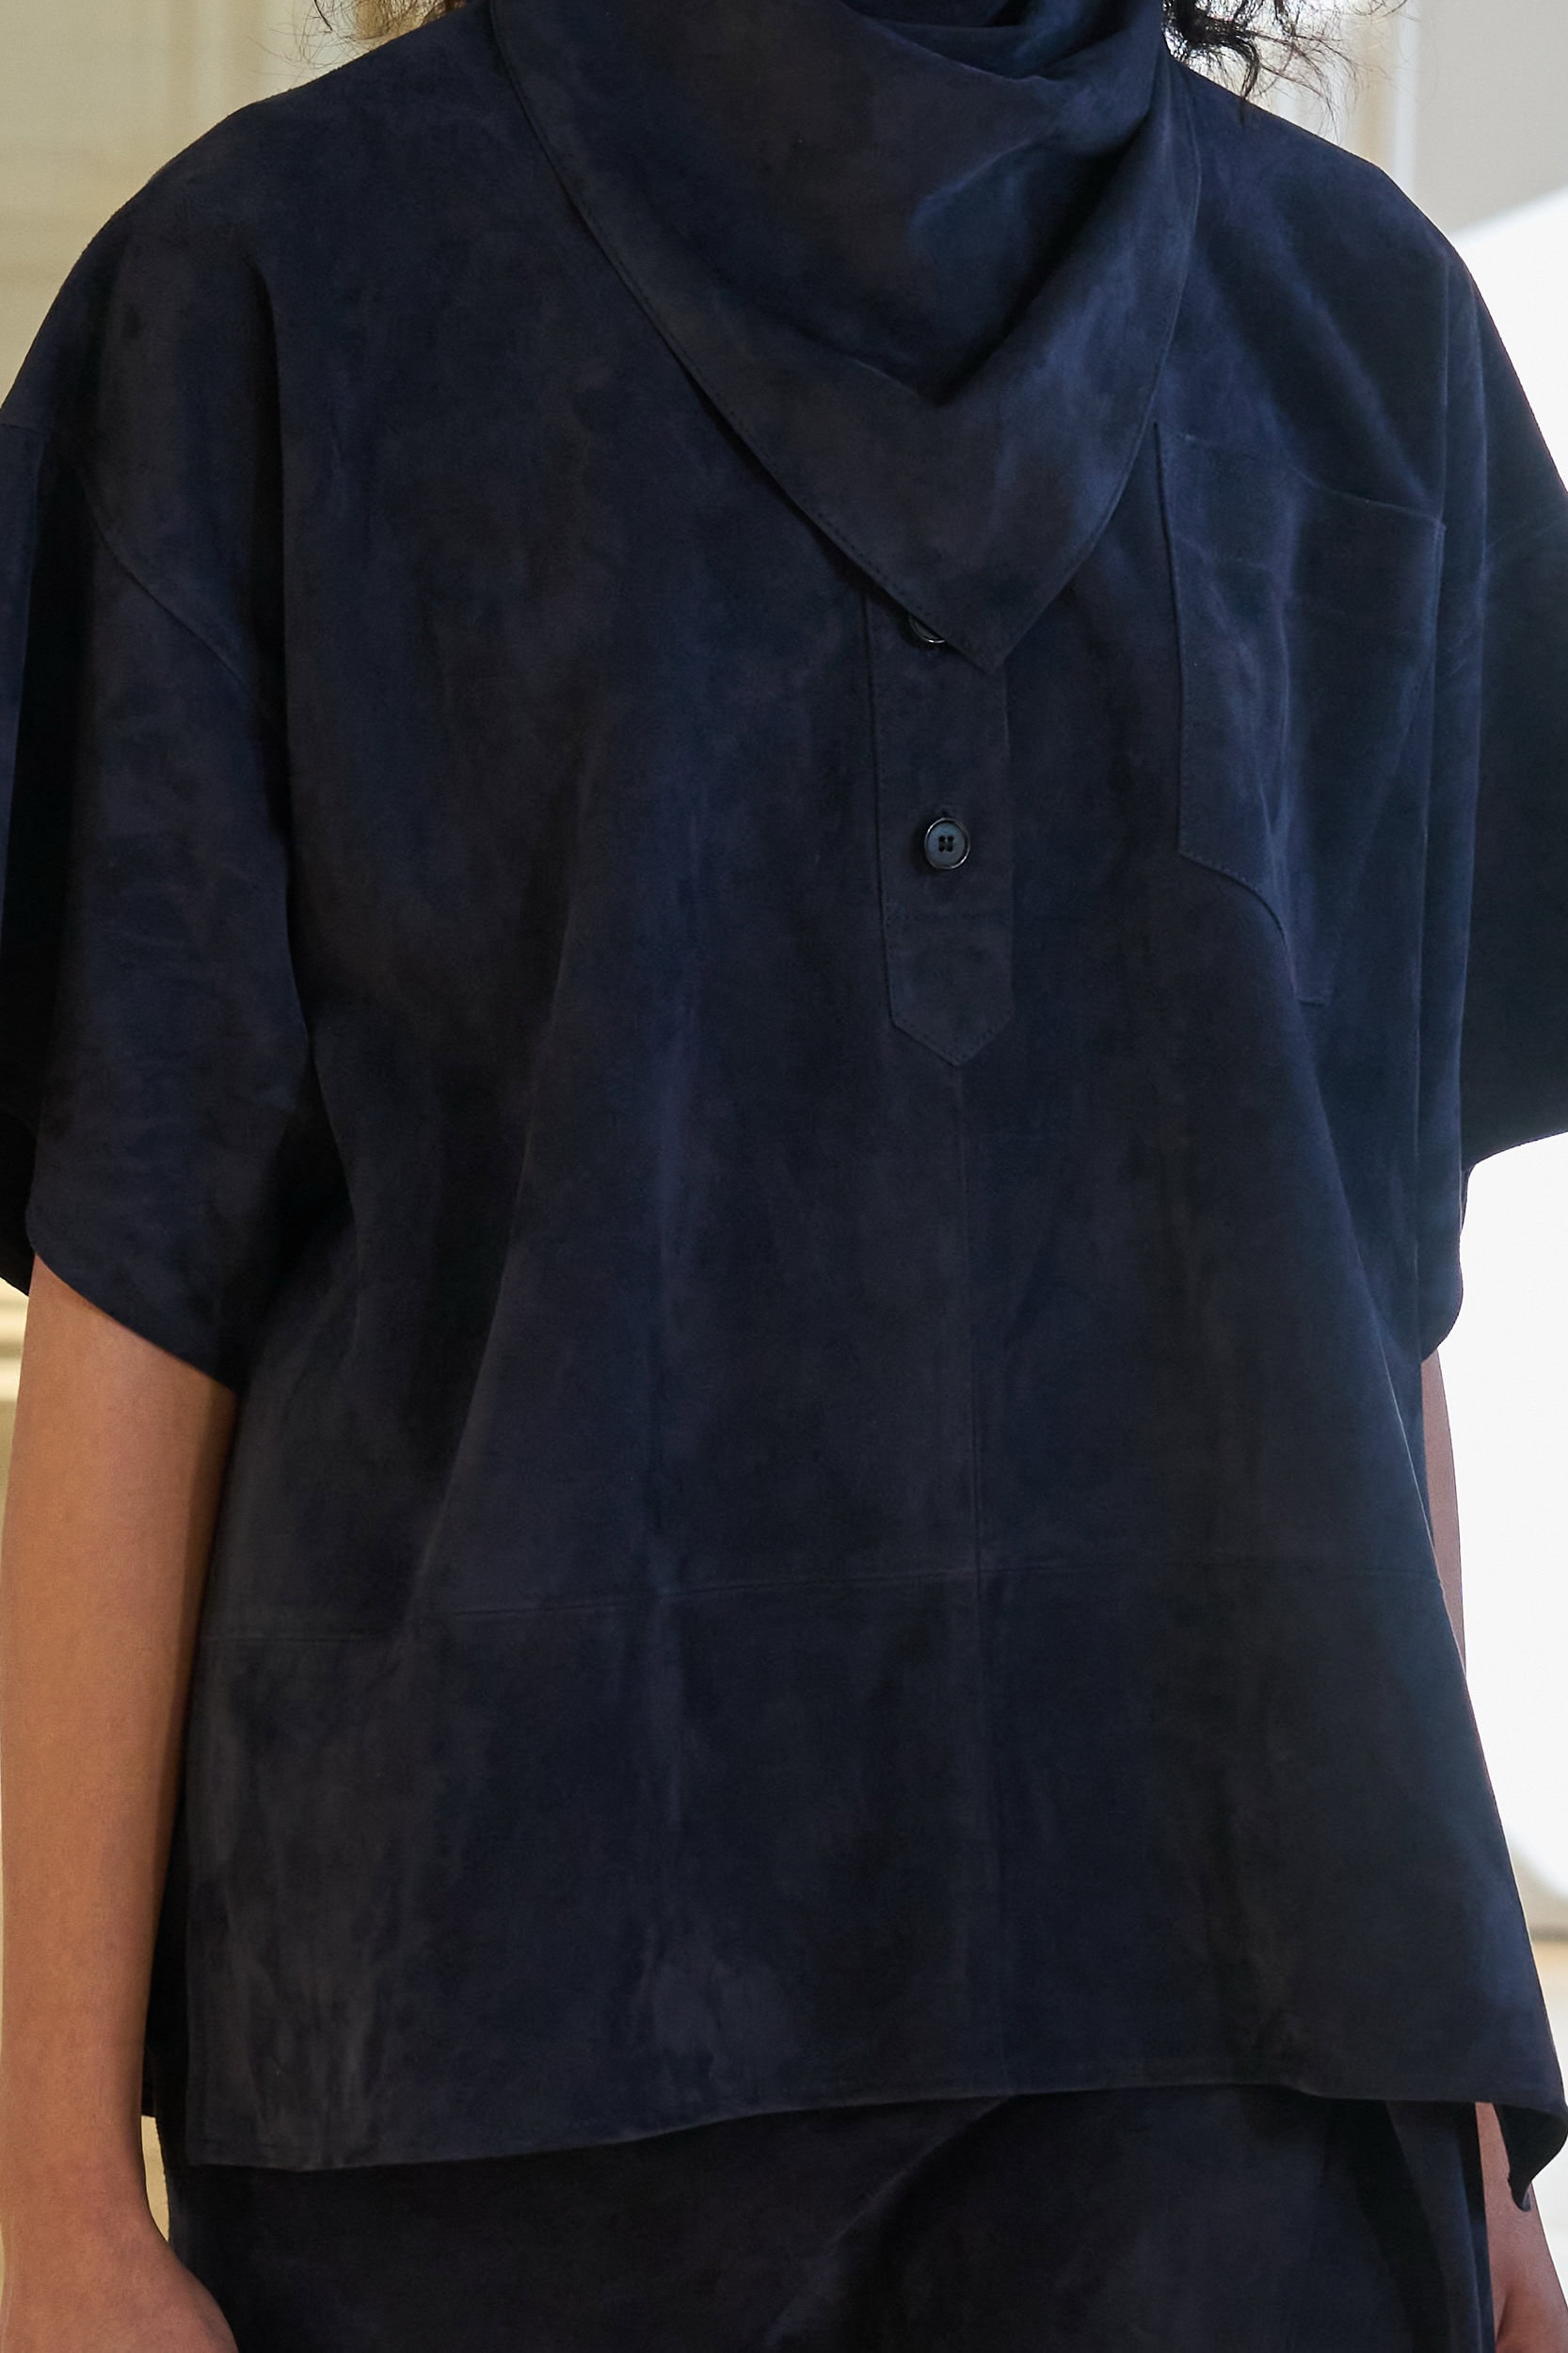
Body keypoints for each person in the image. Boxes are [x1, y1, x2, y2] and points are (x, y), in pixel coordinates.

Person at [1, 0, 1567, 2343]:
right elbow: (137, 1279)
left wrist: (1457, 2115)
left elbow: (1363, 1290)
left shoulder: (1364, 331)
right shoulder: (267, 292)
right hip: (485, 2092)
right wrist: (42, 2200)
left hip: (1228, 2097)